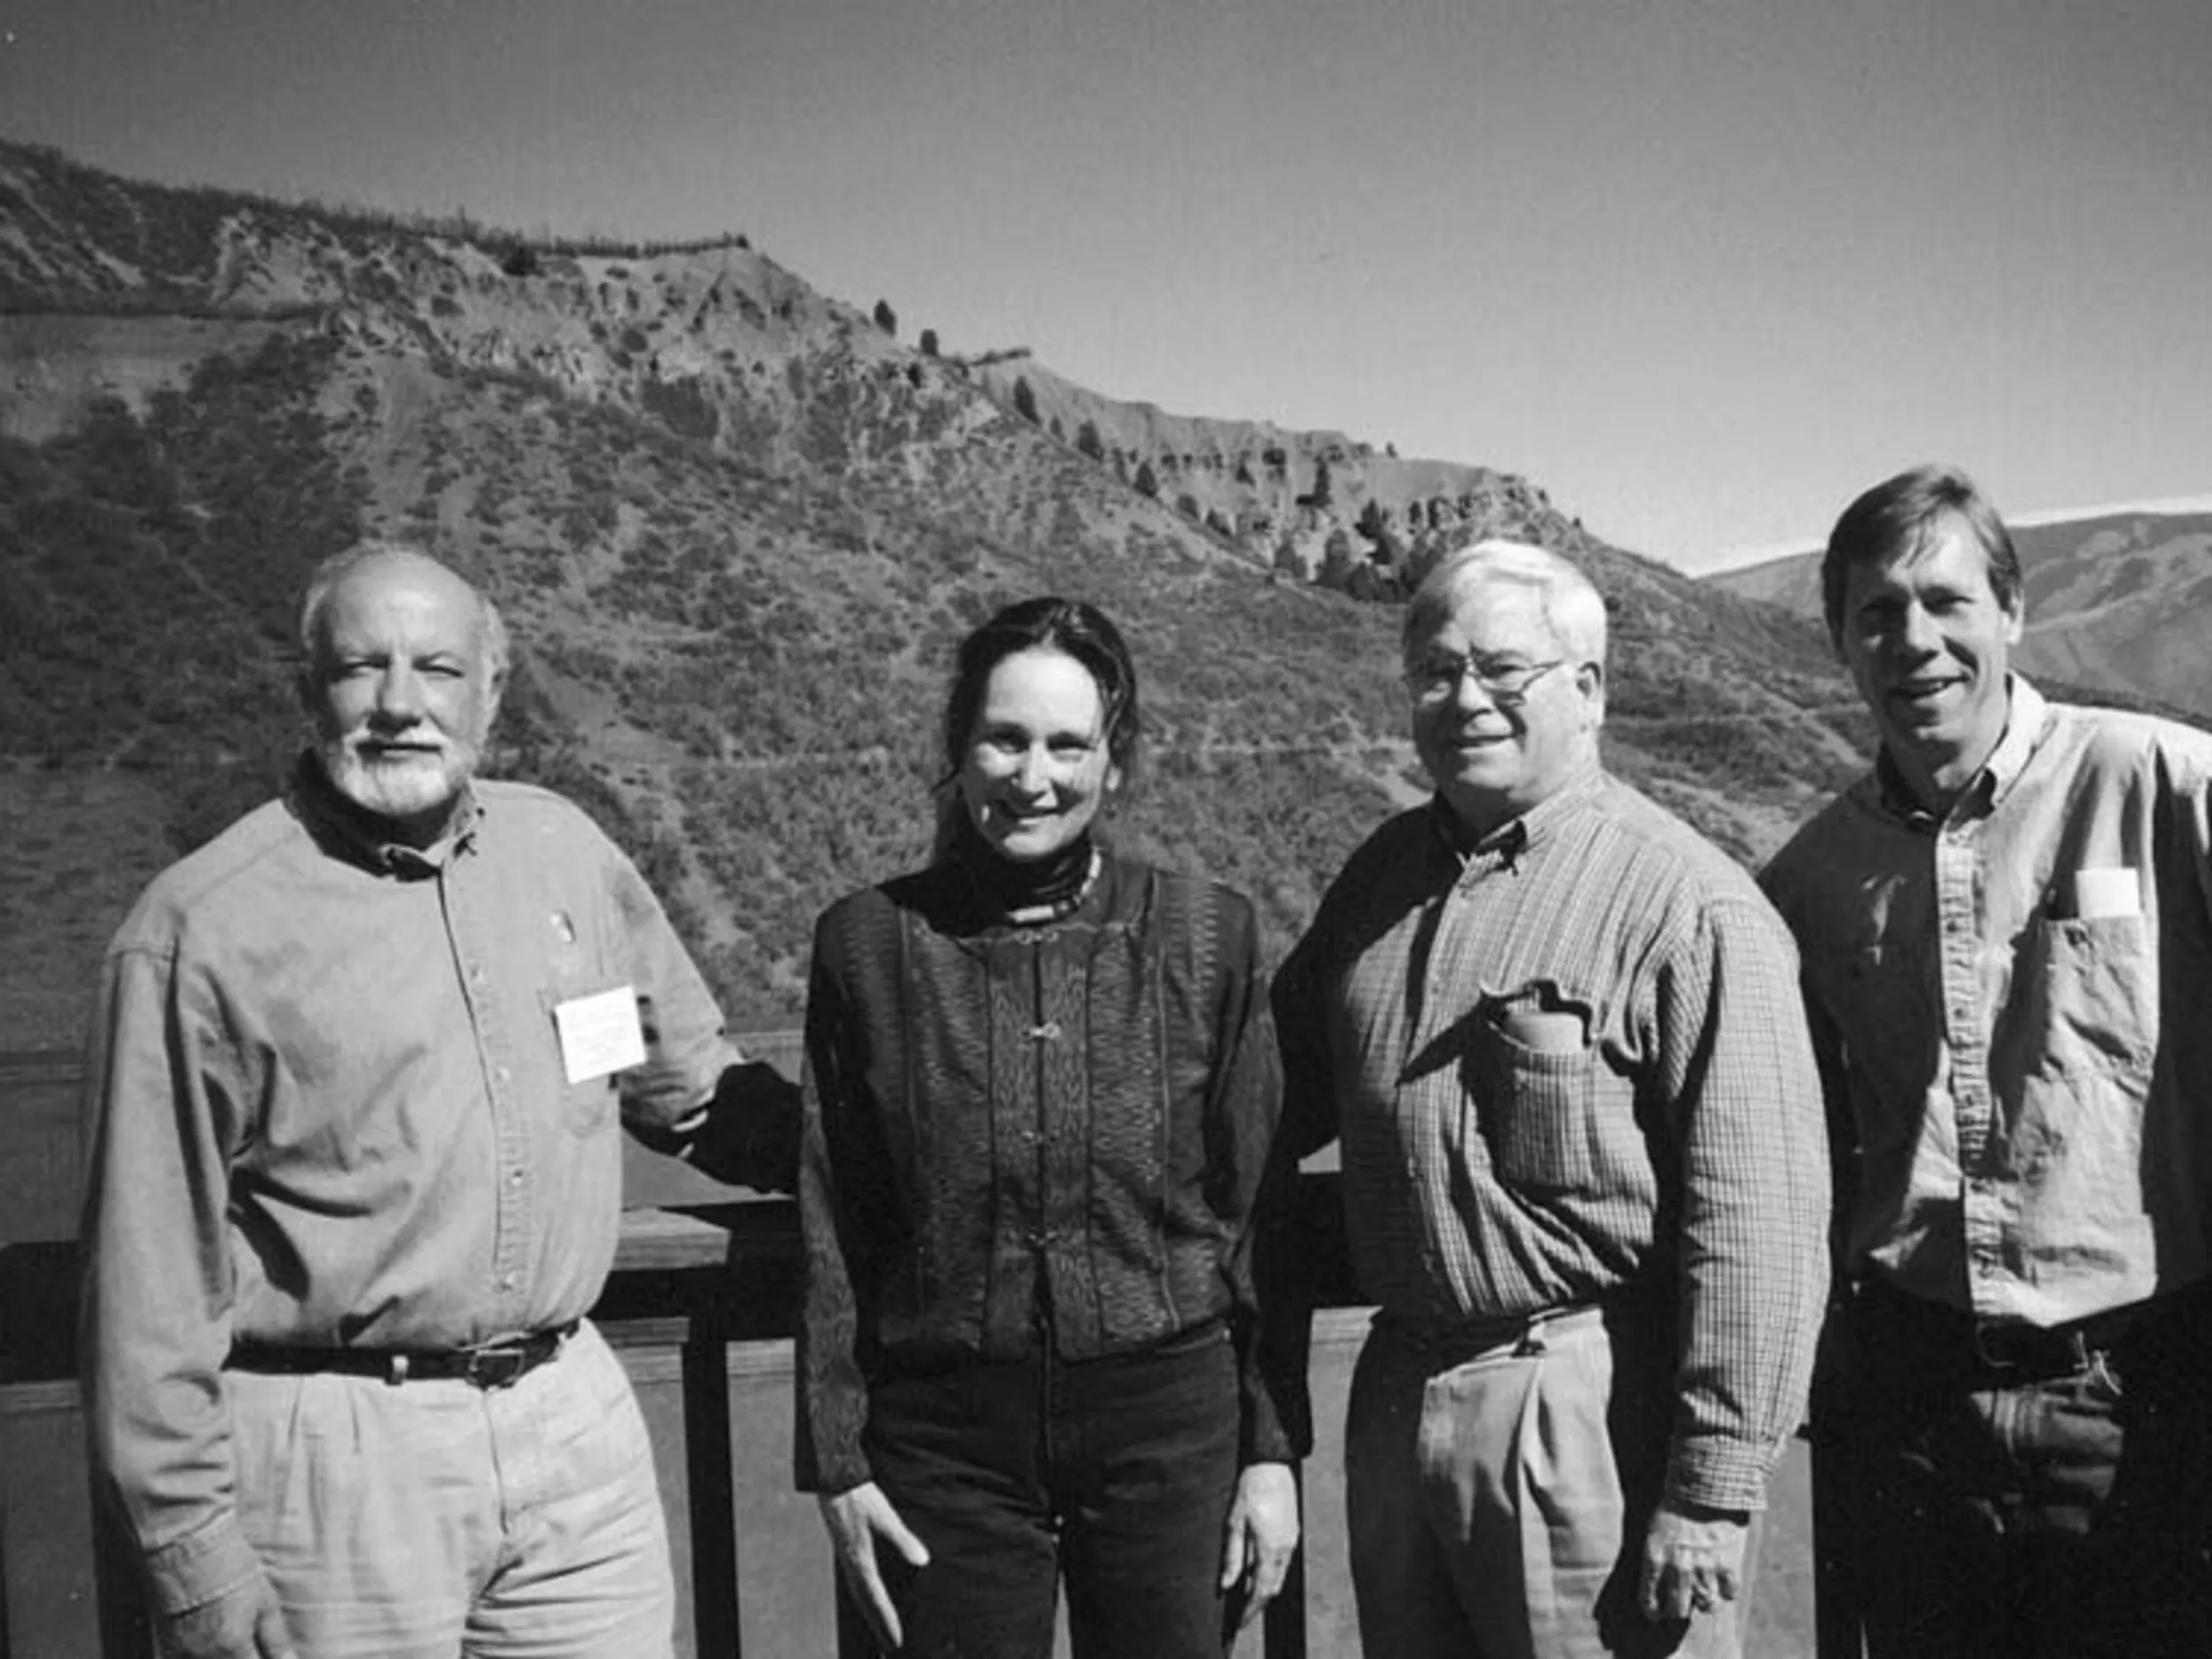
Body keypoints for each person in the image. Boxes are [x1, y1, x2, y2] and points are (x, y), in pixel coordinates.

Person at [79, 541, 797, 1659]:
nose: (401, 706)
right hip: (336, 1465)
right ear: (308, 689)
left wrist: (904, 1154)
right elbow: (144, 1289)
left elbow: (692, 1091)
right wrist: (194, 1559)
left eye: (439, 669)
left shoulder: (563, 854)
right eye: (364, 667)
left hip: (573, 1432)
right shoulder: (200, 932)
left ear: (493, 690)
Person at [1273, 540, 1829, 1659]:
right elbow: (1266, 1098)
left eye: (1502, 670)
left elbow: (1761, 1221)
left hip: (1581, 1408)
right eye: (1435, 672)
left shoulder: (1689, 907)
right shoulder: (1378, 881)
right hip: (1398, 1392)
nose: (1464, 699)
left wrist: (1713, 1486)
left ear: (1589, 690)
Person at [794, 596, 1303, 1658]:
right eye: (1006, 739)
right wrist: (837, 1461)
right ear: (958, 748)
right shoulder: (866, 947)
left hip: (1169, 1433)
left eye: (1069, 745)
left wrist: (1269, 1452)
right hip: (943, 1451)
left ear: (1116, 765)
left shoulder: (1211, 937)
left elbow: (1256, 1212)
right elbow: (834, 1217)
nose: (1035, 777)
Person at [1761, 463, 2212, 1657]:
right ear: (1840, 645)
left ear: (2012, 611)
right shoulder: (1807, 883)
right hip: (1915, 1410)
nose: (1915, 640)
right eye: (1877, 614)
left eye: (1948, 602)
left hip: (2148, 1394)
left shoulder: (2162, 786)